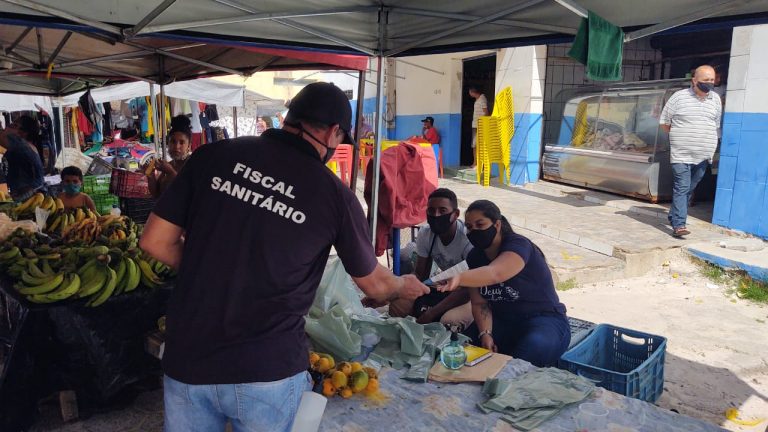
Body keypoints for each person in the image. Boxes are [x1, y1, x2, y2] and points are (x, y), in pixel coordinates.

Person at [139, 82, 429, 432]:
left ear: (289, 117)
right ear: (334, 132)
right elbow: (375, 284)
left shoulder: (213, 156)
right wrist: (404, 284)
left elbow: (155, 242)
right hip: (267, 368)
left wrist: (215, 272)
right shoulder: (334, 196)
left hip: (188, 357)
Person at [437, 200, 570, 368]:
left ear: (497, 224)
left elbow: (495, 273)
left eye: (480, 224)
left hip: (544, 319)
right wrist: (485, 333)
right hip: (504, 321)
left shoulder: (518, 245)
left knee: (529, 351)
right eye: (470, 227)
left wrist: (459, 278)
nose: (474, 231)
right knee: (465, 350)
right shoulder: (475, 257)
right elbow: (479, 303)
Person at [369, 188, 473, 328]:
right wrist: (392, 293)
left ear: (455, 214)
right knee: (399, 306)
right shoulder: (426, 234)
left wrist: (432, 313)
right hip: (444, 287)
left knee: (449, 321)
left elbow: (467, 290)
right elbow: (420, 274)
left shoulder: (467, 239)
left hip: (471, 293)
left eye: (442, 211)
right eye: (431, 211)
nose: (436, 215)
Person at [660, 65, 721, 237]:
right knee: (683, 186)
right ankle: (679, 225)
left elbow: (715, 125)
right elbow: (665, 122)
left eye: (712, 80)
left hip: (703, 155)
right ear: (694, 80)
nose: (709, 83)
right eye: (705, 80)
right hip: (681, 154)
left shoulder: (715, 99)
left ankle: (674, 215)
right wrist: (682, 137)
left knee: (689, 188)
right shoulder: (679, 97)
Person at [0, 116, 46, 201]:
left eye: (14, 125)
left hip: (31, 197)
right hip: (23, 194)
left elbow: (1, 137)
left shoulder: (21, 145)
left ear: (23, 133)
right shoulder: (23, 145)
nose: (9, 125)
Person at [147, 115, 192, 199]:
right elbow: (157, 194)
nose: (176, 146)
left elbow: (188, 193)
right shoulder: (168, 165)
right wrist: (151, 176)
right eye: (173, 141)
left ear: (189, 146)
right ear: (168, 143)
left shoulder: (193, 165)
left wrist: (171, 172)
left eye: (182, 142)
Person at [469, 87, 488, 168]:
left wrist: (483, 124)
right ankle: (475, 162)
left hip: (479, 125)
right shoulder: (478, 100)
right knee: (474, 145)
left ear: (473, 92)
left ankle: (478, 163)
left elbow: (486, 112)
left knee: (478, 145)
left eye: (470, 92)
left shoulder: (482, 99)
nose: (469, 94)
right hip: (475, 125)